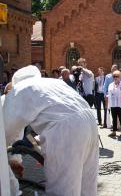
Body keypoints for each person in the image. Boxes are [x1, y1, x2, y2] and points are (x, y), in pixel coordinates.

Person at [2, 65, 99, 196]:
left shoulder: (19, 90)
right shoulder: (52, 83)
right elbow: (52, 117)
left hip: (66, 130)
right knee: (87, 184)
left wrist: (11, 157)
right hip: (90, 121)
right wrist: (27, 145)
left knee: (62, 189)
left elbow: (6, 131)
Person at [108, 70, 121, 137]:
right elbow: (109, 94)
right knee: (114, 118)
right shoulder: (110, 85)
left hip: (120, 104)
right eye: (114, 76)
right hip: (113, 104)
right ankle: (114, 131)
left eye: (117, 76)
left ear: (120, 77)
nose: (115, 77)